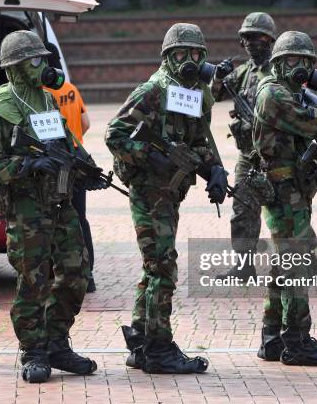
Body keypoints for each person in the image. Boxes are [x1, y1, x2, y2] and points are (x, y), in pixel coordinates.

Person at [0, 30, 99, 383]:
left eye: (43, 58)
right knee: (33, 280)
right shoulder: (2, 108)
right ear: (15, 67)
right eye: (34, 60)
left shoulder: (46, 99)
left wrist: (87, 168)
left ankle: (57, 343)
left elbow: (67, 141)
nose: (42, 64)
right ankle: (34, 350)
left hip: (59, 203)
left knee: (76, 271)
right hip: (28, 208)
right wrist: (24, 166)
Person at [106, 23, 228, 374]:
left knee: (154, 267)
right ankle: (159, 348)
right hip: (148, 190)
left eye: (196, 54)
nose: (190, 60)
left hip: (170, 192)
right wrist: (151, 157)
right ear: (168, 56)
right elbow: (115, 136)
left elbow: (199, 139)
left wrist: (214, 171)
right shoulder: (153, 90)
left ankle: (142, 341)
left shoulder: (196, 92)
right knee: (163, 266)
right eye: (182, 53)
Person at [253, 31, 317, 365]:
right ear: (279, 63)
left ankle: (273, 336)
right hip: (283, 191)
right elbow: (312, 124)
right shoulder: (274, 93)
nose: (301, 67)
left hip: (293, 190)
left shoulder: (293, 92)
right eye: (293, 60)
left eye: (306, 61)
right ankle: (298, 340)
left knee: (286, 261)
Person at [211, 12, 276, 280]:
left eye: (256, 36)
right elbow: (216, 94)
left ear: (269, 39)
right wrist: (218, 76)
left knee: (283, 212)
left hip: (274, 154)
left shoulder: (278, 70)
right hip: (248, 154)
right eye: (246, 37)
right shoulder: (243, 72)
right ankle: (243, 266)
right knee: (241, 210)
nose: (250, 42)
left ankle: (294, 262)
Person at [43, 44, 96, 293]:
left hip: (53, 167)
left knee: (55, 221)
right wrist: (75, 141)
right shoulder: (71, 89)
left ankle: (58, 274)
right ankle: (89, 276)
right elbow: (85, 123)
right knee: (80, 219)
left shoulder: (40, 93)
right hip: (78, 162)